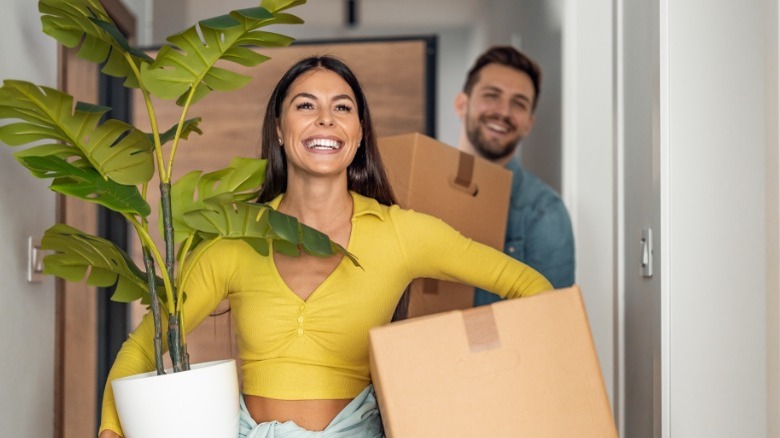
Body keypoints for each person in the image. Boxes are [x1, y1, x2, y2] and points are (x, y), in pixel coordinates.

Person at [98, 55, 553, 438]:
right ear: (279, 129)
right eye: (305, 105)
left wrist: (489, 391)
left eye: (342, 107)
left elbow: (529, 286)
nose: (325, 119)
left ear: (358, 134)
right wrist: (109, 432)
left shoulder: (401, 233)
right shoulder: (236, 237)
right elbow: (144, 343)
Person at [453, 46, 575, 307]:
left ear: (528, 123)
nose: (504, 112)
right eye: (492, 95)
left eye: (518, 103)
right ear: (462, 104)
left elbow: (551, 320)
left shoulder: (544, 212)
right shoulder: (417, 187)